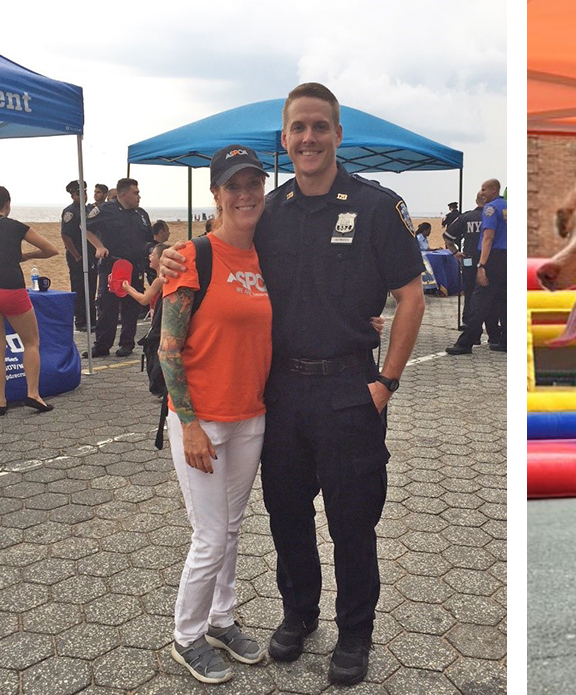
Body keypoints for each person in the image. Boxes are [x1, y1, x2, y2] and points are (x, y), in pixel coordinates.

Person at [161, 82, 425, 686]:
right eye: (298, 129)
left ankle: (355, 631)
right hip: (278, 395)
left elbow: (411, 297)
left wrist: (386, 382)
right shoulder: (268, 211)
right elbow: (213, 256)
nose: (308, 138)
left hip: (349, 390)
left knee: (352, 521)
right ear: (284, 139)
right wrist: (169, 260)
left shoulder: (377, 206)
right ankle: (298, 616)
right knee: (286, 515)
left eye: (319, 127)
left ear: (337, 134)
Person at [160, 145, 272, 684]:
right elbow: (167, 349)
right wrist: (188, 424)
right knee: (208, 536)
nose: (246, 194)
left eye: (254, 183)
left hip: (250, 416)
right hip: (201, 420)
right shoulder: (192, 256)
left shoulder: (268, 256)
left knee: (230, 527)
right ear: (216, 195)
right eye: (234, 185)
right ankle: (185, 635)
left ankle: (221, 619)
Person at [0, 185, 59, 415]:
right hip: (11, 288)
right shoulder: (15, 226)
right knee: (31, 342)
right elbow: (50, 249)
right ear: (7, 204)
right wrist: (25, 256)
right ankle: (33, 394)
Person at [83, 178, 153, 358]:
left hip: (135, 267)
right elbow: (85, 227)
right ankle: (102, 346)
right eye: (135, 193)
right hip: (112, 266)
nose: (139, 196)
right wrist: (99, 246)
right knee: (107, 307)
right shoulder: (106, 210)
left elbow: (148, 240)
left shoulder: (142, 215)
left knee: (131, 307)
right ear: (123, 194)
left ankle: (127, 344)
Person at [445, 178, 507, 354]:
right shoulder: (507, 207)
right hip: (507, 259)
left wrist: (482, 265)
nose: (482, 192)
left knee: (478, 301)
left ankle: (465, 342)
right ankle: (505, 340)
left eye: (484, 189)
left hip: (488, 259)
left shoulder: (490, 209)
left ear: (494, 190)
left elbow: (488, 237)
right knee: (503, 301)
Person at [443, 192, 493, 332]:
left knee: (469, 291)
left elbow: (447, 236)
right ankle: (493, 330)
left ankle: (468, 324)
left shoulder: (466, 217)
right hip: (489, 260)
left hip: (468, 259)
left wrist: (455, 252)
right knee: (490, 294)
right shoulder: (493, 217)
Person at [61, 179, 97, 331]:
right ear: (72, 195)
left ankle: (91, 319)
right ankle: (81, 320)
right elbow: (66, 236)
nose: (82, 195)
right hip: (77, 255)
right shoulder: (70, 212)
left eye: (84, 192)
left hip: (91, 254)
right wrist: (76, 256)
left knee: (91, 287)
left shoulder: (89, 210)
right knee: (79, 287)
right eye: (78, 193)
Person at [124, 243, 167, 312]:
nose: (149, 256)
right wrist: (130, 288)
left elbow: (144, 300)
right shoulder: (161, 278)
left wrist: (128, 290)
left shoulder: (158, 280)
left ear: (160, 259)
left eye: (152, 254)